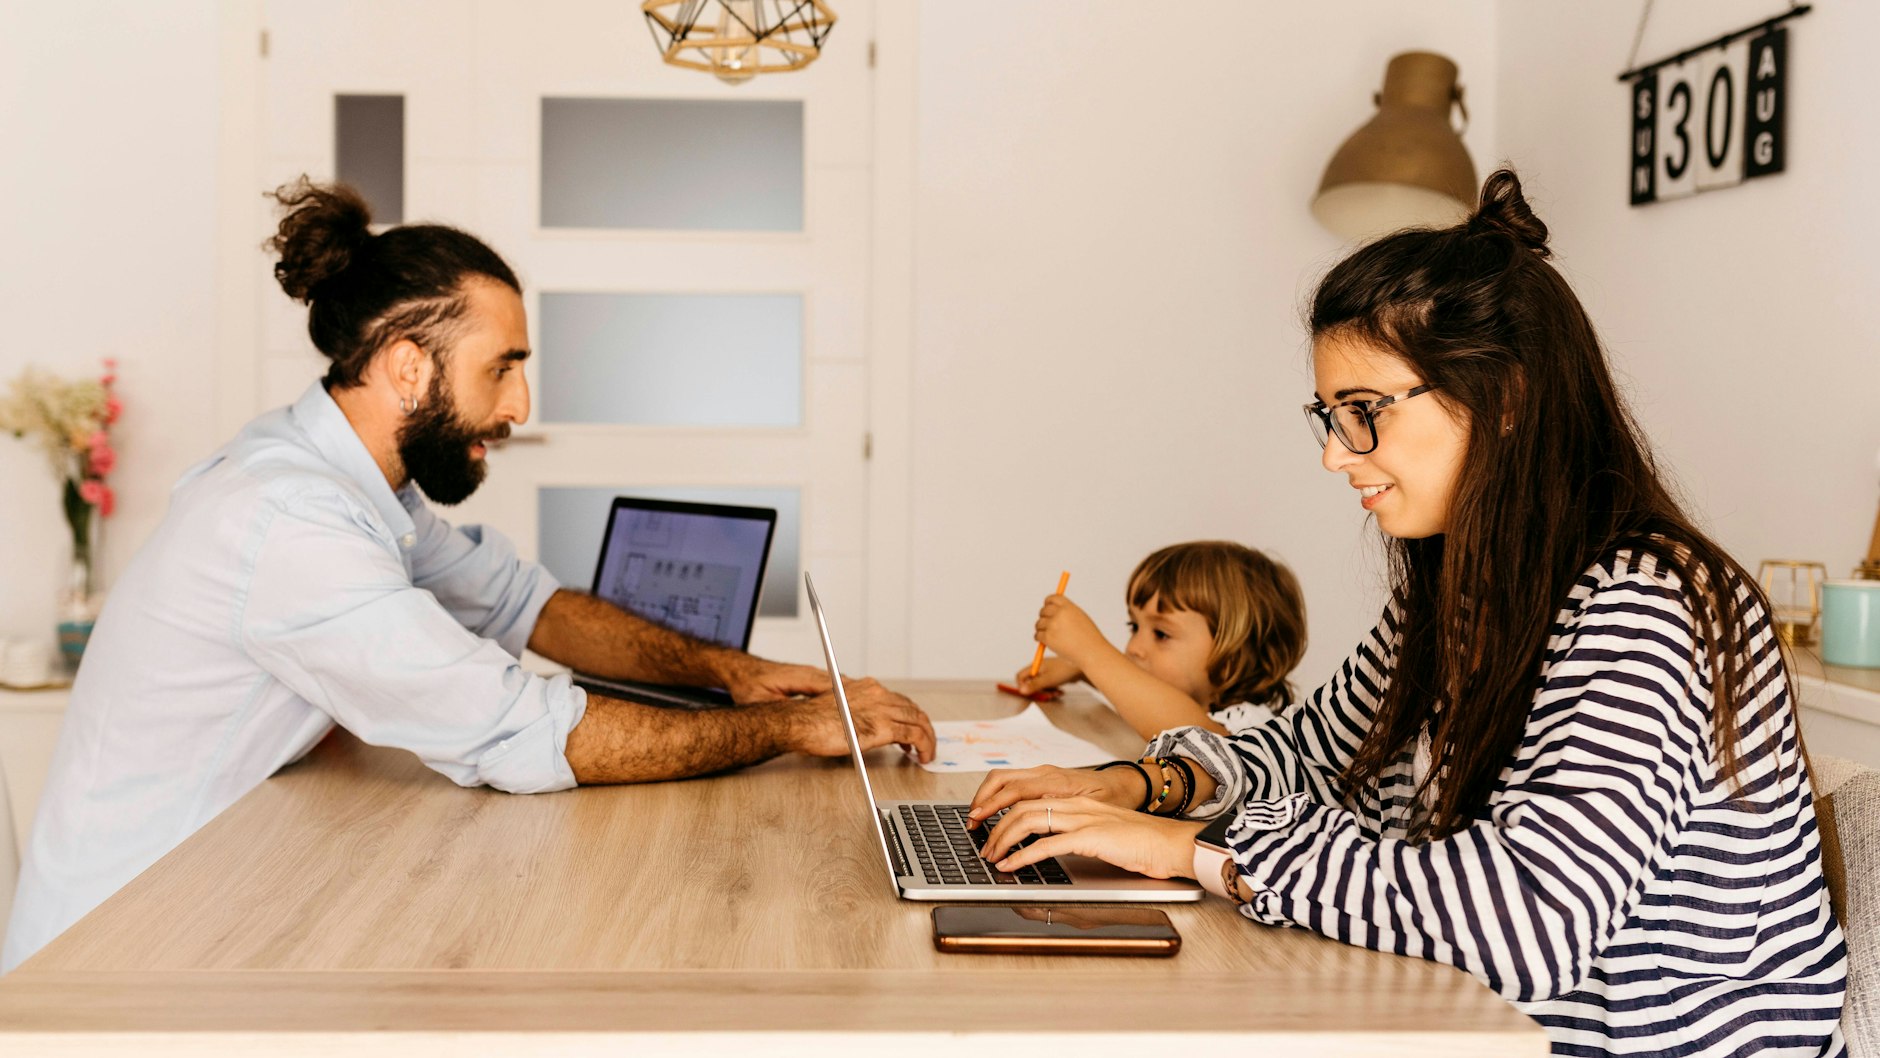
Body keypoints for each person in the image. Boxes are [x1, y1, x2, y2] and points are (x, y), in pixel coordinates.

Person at [966, 171, 1847, 1056]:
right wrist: (1137, 787)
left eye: (1363, 412)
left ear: (1504, 397)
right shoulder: (1457, 590)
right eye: (1329, 416)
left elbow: (1530, 921)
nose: (1336, 455)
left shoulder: (1644, 604)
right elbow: (1309, 756)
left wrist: (1193, 851)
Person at [1, 180, 935, 973]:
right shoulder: (290, 519)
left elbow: (527, 606)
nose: (520, 406)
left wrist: (732, 673)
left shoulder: (351, 483)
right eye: (502, 369)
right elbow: (515, 731)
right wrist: (786, 729)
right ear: (409, 367)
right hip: (111, 957)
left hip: (203, 903)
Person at [1011, 541, 1306, 739]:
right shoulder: (1193, 703)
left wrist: (1091, 653)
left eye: (1161, 634)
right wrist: (1081, 670)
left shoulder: (1253, 726)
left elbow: (1199, 743)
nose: (1133, 648)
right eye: (1134, 626)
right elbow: (1150, 702)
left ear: (1235, 654)